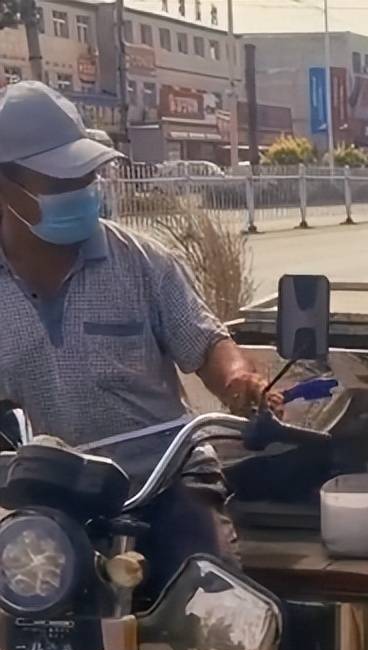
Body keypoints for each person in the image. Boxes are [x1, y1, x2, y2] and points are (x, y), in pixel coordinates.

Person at [0, 81, 278, 590]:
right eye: (61, 181)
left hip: (167, 478)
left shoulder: (143, 262)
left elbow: (206, 342)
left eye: (87, 177)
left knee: (212, 605)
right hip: (53, 494)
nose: (82, 191)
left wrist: (241, 383)